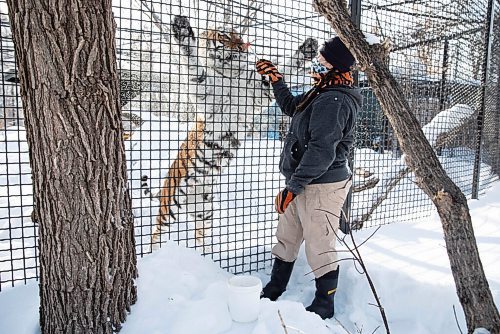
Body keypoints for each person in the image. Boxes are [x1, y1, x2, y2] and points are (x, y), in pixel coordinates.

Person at [256, 36, 362, 319]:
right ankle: (276, 286)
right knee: (287, 235)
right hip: (303, 179)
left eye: (325, 58)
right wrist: (277, 80)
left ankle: (324, 304)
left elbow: (322, 151)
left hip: (323, 184)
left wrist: (293, 186)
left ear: (337, 64)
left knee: (319, 243)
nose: (319, 60)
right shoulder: (323, 89)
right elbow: (293, 107)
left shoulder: (335, 99)